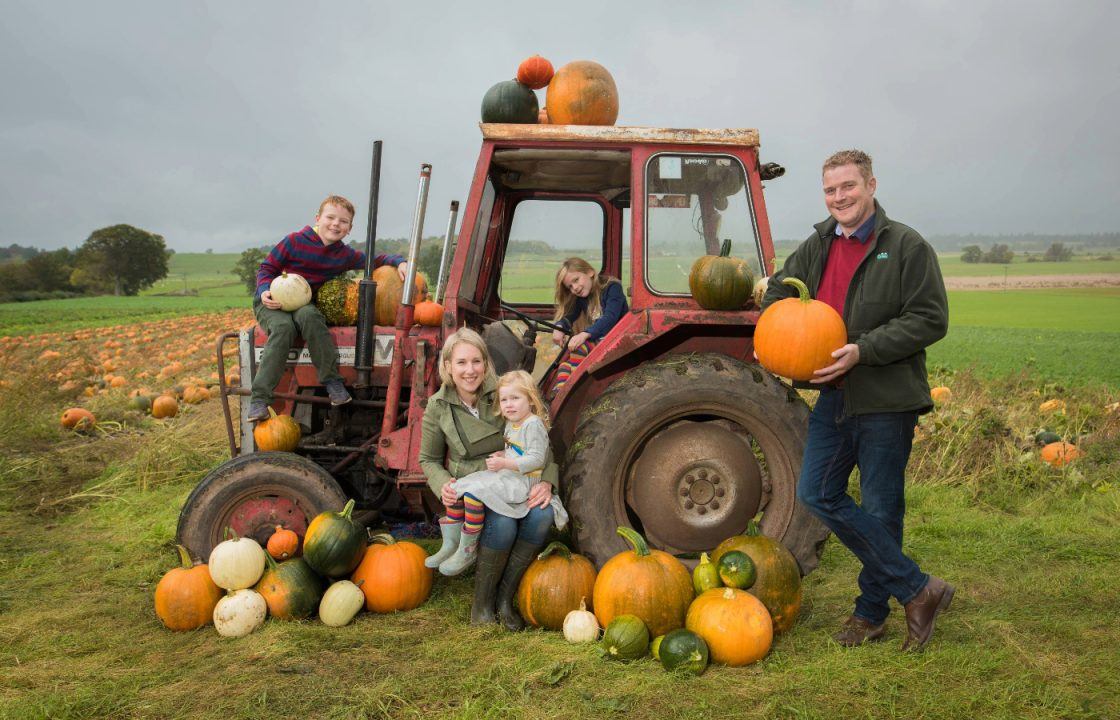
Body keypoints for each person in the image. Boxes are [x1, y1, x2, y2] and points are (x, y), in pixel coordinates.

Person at [761, 149, 952, 651]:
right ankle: (917, 588)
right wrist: (785, 335)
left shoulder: (905, 246)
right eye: (830, 190)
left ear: (870, 185)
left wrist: (863, 350)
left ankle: (870, 614)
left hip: (887, 398)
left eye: (848, 187)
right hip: (835, 395)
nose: (839, 198)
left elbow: (930, 319)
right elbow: (777, 294)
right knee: (816, 493)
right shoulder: (819, 242)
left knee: (883, 508)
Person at [419, 328, 561, 631]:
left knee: (542, 514)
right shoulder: (439, 405)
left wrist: (548, 482)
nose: (470, 371)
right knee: (505, 524)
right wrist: (442, 482)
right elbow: (428, 460)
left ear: (486, 363)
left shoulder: (505, 391)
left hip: (514, 476)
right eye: (461, 363)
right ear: (447, 366)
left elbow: (537, 439)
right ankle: (482, 602)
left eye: (476, 361)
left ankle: (505, 598)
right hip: (472, 484)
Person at [249, 195, 407, 422]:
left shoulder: (342, 255)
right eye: (330, 217)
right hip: (272, 302)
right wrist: (264, 290)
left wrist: (398, 261)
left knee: (312, 318)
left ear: (349, 228)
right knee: (283, 329)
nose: (335, 224)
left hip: (302, 304)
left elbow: (375, 259)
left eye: (343, 221)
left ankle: (333, 382)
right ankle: (259, 399)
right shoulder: (294, 241)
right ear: (318, 218)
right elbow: (267, 268)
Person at [427, 369, 568, 576]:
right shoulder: (513, 423)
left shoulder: (533, 424)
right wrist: (505, 453)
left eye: (515, 398)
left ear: (530, 400)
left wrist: (504, 463)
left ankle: (468, 549)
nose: (509, 404)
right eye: (504, 400)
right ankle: (453, 542)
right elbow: (518, 449)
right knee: (459, 486)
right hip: (510, 475)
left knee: (475, 493)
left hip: (523, 482)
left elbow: (537, 458)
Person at [550, 257, 628, 391]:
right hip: (601, 340)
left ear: (590, 272)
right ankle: (559, 393)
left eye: (576, 280)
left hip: (618, 339)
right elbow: (570, 315)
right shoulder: (582, 297)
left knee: (579, 348)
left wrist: (585, 334)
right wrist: (560, 326)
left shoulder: (612, 287)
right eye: (570, 286)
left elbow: (610, 317)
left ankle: (574, 391)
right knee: (564, 366)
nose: (574, 288)